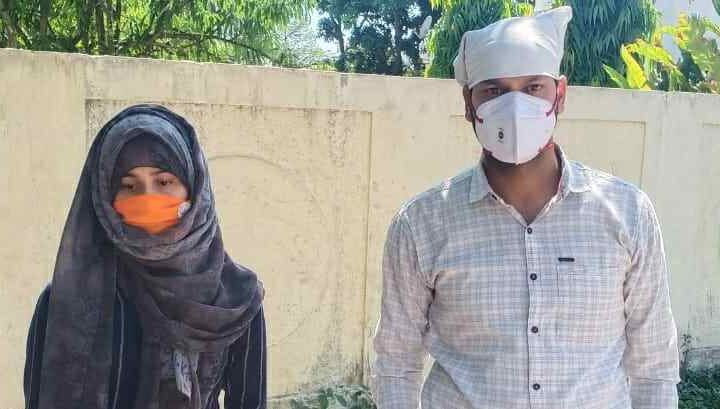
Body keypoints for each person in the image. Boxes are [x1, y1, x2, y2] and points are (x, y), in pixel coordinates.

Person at [371, 6, 679, 409]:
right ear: (469, 104)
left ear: (560, 95)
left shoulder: (627, 213)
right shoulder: (421, 224)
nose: (514, 107)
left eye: (533, 88)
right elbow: (396, 363)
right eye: (494, 91)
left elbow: (654, 366)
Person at [23, 104, 267, 409]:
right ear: (105, 200)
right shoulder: (64, 302)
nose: (147, 198)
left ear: (194, 191)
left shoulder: (234, 300)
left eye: (164, 182)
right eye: (129, 186)